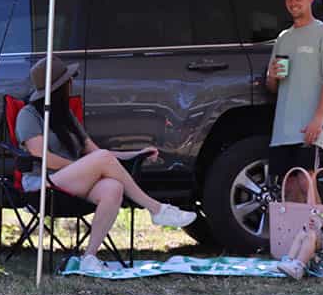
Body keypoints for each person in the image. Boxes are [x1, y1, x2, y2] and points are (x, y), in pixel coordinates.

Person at [15, 57, 197, 273]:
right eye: (69, 80)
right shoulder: (28, 115)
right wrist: (80, 166)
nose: (72, 83)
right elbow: (40, 154)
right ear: (60, 87)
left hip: (71, 184)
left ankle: (89, 257)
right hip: (42, 185)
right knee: (101, 160)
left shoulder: (65, 115)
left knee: (113, 187)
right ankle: (156, 208)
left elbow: (97, 154)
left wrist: (136, 154)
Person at [265, 0, 323, 201]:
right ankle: (297, 227)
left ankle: (318, 225)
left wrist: (318, 120)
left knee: (305, 180)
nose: (293, 3)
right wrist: (272, 76)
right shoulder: (283, 38)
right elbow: (272, 87)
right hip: (282, 129)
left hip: (309, 126)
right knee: (289, 186)